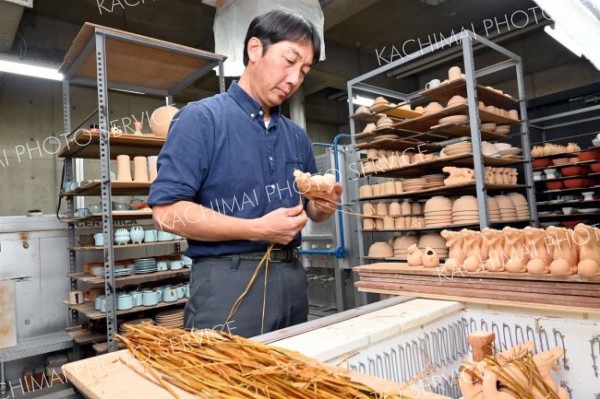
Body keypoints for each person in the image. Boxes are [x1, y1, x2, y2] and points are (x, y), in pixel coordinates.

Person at [148, 9, 342, 338]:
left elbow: (312, 210)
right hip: (227, 282)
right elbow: (166, 213)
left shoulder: (295, 136)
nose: (295, 79)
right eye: (289, 60)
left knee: (290, 383)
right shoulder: (202, 119)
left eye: (304, 70)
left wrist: (322, 206)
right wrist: (257, 228)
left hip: (293, 277)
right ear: (255, 49)